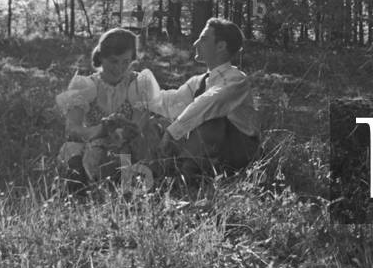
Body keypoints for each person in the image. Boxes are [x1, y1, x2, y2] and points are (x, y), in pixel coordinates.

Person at [55, 28, 164, 194]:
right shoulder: (86, 86)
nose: (119, 68)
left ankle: (127, 188)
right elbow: (72, 129)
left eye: (125, 61)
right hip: (94, 143)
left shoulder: (138, 83)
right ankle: (82, 190)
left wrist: (124, 129)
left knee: (131, 156)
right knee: (72, 151)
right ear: (101, 57)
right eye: (113, 61)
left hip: (128, 146)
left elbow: (139, 125)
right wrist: (100, 130)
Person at [153, 18, 260, 180]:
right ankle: (175, 168)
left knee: (211, 120)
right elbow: (172, 102)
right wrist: (138, 90)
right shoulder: (200, 80)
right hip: (211, 152)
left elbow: (209, 103)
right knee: (157, 122)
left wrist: (171, 133)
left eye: (203, 39)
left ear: (221, 46)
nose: (196, 43)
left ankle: (188, 173)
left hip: (238, 153)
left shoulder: (236, 80)